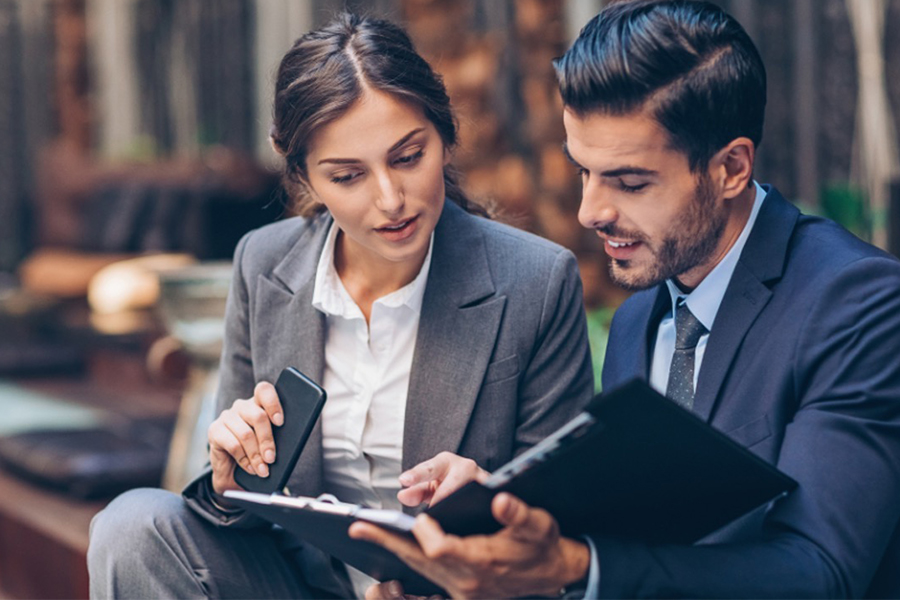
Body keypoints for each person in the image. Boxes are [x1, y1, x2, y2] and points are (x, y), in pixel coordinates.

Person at [352, 1, 900, 597]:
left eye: (630, 182)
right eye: (583, 171)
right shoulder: (641, 315)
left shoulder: (859, 303)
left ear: (731, 168)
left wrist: (575, 565)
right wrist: (503, 514)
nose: (591, 211)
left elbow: (820, 573)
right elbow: (647, 533)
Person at [86, 13, 594, 599]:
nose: (390, 199)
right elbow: (240, 511)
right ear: (302, 173)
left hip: (450, 590)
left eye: (408, 157)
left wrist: (489, 504)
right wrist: (229, 482)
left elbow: (562, 532)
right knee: (130, 526)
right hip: (300, 586)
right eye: (348, 175)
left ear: (445, 133)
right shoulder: (264, 263)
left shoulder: (535, 280)